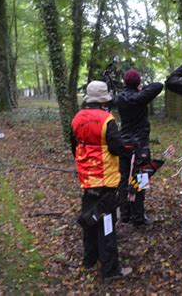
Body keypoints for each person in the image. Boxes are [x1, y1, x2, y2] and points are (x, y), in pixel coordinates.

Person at [70, 81, 133, 282]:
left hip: (87, 179)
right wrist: (129, 148)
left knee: (89, 218)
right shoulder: (107, 119)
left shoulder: (77, 118)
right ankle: (110, 269)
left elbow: (74, 146)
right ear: (103, 99)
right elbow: (116, 147)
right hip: (105, 180)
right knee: (107, 223)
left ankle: (90, 259)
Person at [114, 69, 163, 226]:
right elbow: (158, 85)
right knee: (140, 179)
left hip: (124, 144)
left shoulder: (120, 97)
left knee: (124, 180)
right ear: (138, 82)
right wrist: (141, 89)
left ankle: (125, 215)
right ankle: (138, 217)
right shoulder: (140, 97)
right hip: (139, 146)